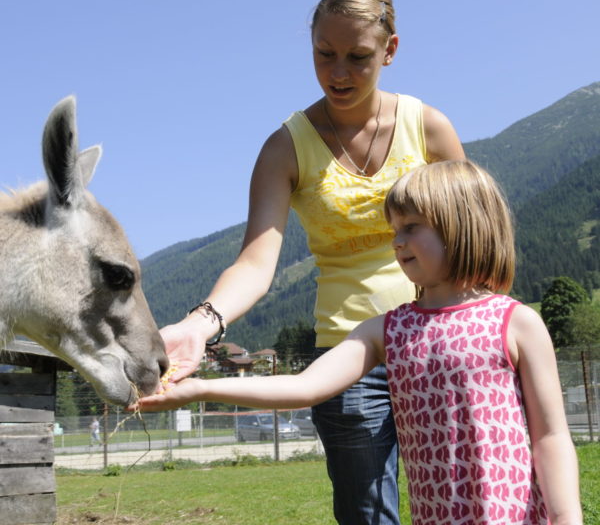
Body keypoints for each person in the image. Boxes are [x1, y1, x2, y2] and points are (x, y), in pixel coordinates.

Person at [154, 0, 464, 525]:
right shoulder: (285, 147)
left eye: (357, 57)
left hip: (437, 342)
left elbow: (471, 241)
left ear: (390, 51)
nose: (338, 72)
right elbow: (256, 260)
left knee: (464, 500)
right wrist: (201, 324)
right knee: (367, 514)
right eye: (324, 54)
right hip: (346, 359)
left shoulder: (430, 129)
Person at [138, 161, 582, 525]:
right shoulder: (385, 332)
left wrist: (567, 517)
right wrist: (199, 389)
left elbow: (551, 435)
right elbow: (303, 387)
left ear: (462, 226)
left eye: (411, 227)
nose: (397, 242)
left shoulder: (517, 322)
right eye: (394, 230)